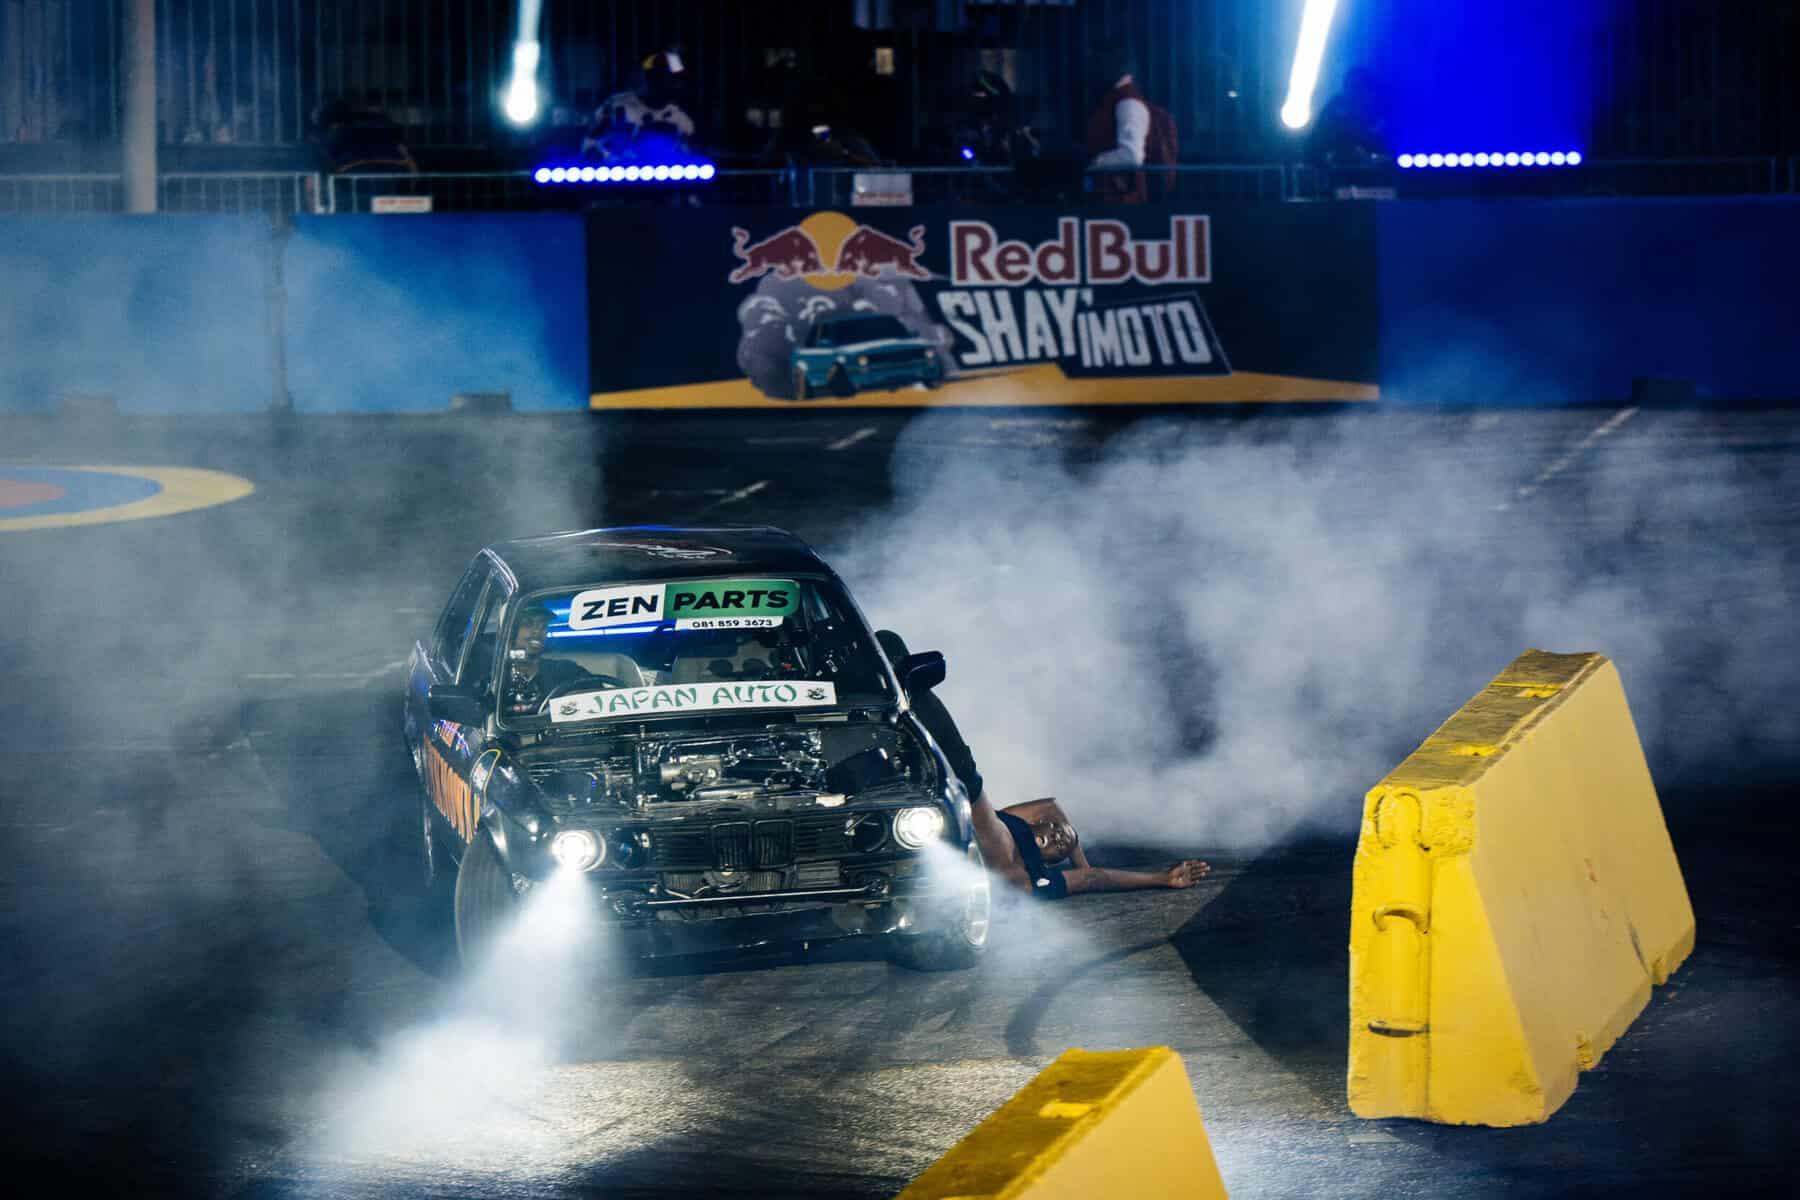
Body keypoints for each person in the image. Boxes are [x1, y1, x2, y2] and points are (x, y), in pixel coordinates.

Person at [877, 631, 1209, 899]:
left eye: (1060, 845)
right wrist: (1076, 848)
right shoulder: (1013, 824)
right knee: (892, 651)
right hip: (959, 777)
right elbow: (1049, 806)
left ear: (1054, 862)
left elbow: (1094, 878)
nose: (1057, 835)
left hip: (916, 811)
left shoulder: (1031, 877)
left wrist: (1161, 879)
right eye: (1057, 831)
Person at [1084, 45, 1179, 204]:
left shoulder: (1127, 102)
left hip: (1123, 200)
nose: (1093, 71)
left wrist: (1095, 163)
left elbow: (1131, 155)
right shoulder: (1115, 100)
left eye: (1098, 63)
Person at [500, 606, 599, 719]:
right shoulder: (495, 680)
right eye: (527, 624)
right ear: (509, 631)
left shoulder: (566, 671)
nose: (537, 631)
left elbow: (598, 695)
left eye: (543, 626)